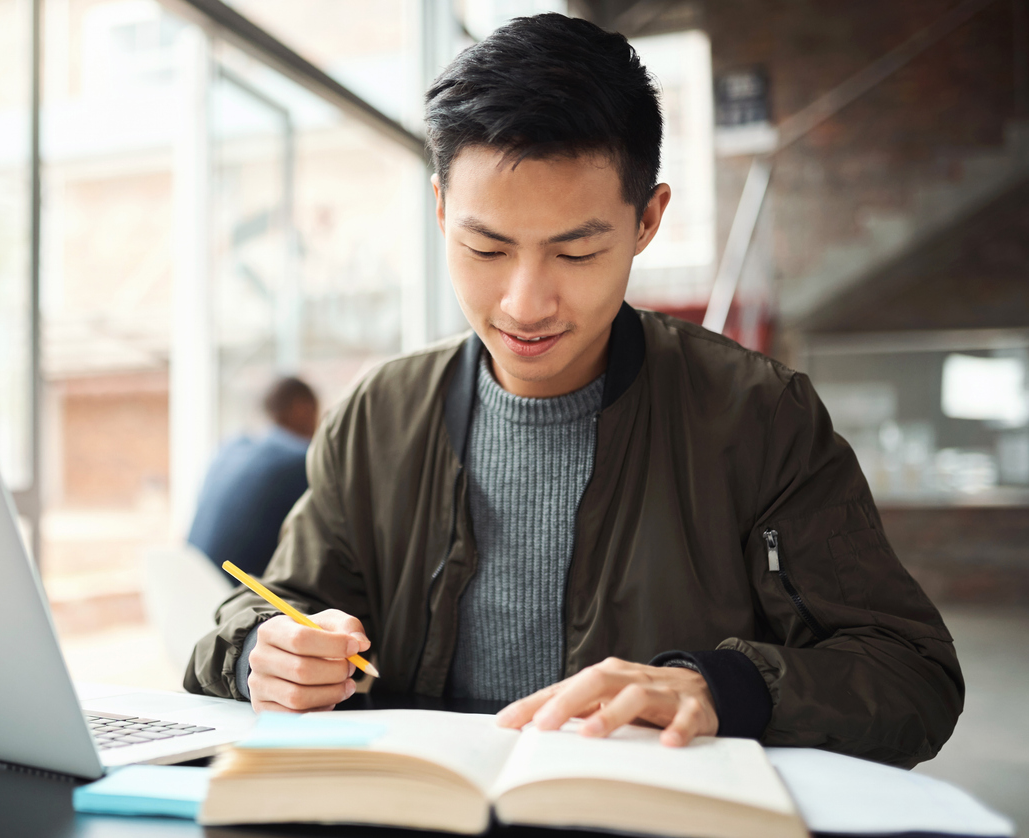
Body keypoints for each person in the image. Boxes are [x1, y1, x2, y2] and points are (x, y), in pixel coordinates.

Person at [185, 14, 962, 767]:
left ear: (648, 219)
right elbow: (269, 607)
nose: (525, 304)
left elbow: (911, 676)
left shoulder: (757, 417)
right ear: (440, 210)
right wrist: (264, 650)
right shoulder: (378, 416)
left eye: (577, 252)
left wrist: (721, 687)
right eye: (485, 247)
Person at [187, 377, 319, 577]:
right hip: (239, 597)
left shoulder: (230, 447)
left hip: (187, 585)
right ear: (302, 408)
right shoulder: (300, 460)